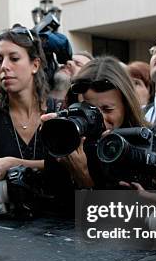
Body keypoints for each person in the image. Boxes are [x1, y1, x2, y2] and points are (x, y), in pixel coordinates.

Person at [0, 24, 53, 196]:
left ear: (35, 65)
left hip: (64, 216)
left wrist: (13, 163)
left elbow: (70, 166)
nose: (5, 66)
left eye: (14, 59)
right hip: (6, 218)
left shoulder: (59, 112)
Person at [46, 56, 147, 189]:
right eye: (87, 110)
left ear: (127, 107)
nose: (99, 119)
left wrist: (84, 177)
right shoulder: (70, 141)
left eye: (107, 109)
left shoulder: (141, 146)